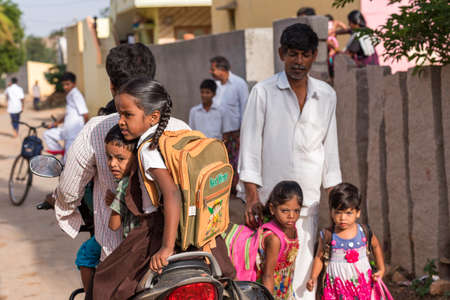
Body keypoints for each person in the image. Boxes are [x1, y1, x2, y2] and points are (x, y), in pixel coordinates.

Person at [239, 23, 342, 300]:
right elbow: (249, 147)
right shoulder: (263, 92)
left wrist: (335, 205)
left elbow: (330, 153)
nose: (299, 62)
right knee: (267, 273)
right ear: (281, 53)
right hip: (270, 205)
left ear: (314, 55)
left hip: (307, 203)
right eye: (293, 54)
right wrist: (251, 197)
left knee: (304, 273)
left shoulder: (326, 95)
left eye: (305, 55)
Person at [52, 43, 157, 300]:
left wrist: (68, 211)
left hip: (118, 253)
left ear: (112, 86)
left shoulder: (98, 128)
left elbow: (68, 189)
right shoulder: (176, 124)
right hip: (172, 248)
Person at [93, 78, 190, 299]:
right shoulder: (169, 138)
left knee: (104, 282)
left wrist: (165, 248)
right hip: (182, 228)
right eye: (119, 114)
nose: (120, 121)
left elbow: (171, 193)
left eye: (127, 115)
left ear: (153, 117)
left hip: (152, 231)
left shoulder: (147, 149)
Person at [306, 183, 387, 298]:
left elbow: (376, 246)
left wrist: (381, 269)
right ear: (331, 212)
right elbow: (319, 258)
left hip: (361, 286)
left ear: (357, 213)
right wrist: (313, 277)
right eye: (338, 212)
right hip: (337, 288)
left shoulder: (364, 232)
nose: (343, 218)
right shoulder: (328, 235)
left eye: (348, 213)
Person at [257, 181, 303, 300]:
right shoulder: (274, 238)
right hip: (270, 292)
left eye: (296, 211)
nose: (291, 216)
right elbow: (267, 275)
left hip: (285, 290)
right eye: (285, 211)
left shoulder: (291, 228)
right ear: (272, 209)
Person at [209, 56, 249, 194]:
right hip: (219, 133)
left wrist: (243, 132)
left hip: (235, 132)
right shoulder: (217, 86)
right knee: (220, 161)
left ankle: (235, 189)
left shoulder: (239, 84)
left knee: (235, 162)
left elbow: (245, 108)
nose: (211, 72)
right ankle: (223, 188)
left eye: (213, 69)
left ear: (222, 69)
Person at [103, 124, 140, 238]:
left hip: (134, 245)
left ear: (136, 156)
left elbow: (114, 225)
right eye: (109, 157)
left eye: (120, 159)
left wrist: (116, 203)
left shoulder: (124, 185)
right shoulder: (141, 180)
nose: (112, 164)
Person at [43, 72, 89, 158]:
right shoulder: (69, 95)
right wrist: (55, 123)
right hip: (66, 131)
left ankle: (64, 156)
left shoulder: (76, 95)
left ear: (74, 84)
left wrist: (86, 131)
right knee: (47, 134)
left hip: (74, 134)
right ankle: (60, 151)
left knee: (67, 163)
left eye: (67, 84)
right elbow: (68, 114)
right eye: (63, 85)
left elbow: (85, 114)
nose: (65, 87)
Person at [325, 14, 349, 79]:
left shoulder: (331, 23)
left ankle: (331, 70)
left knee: (330, 55)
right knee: (331, 55)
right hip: (332, 40)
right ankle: (331, 68)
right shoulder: (334, 23)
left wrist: (335, 31)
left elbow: (345, 28)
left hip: (330, 41)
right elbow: (345, 27)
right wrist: (335, 31)